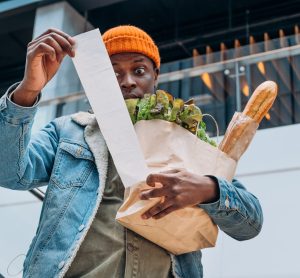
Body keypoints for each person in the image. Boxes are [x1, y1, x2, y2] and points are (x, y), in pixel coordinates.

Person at [0, 25, 263, 278]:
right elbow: (9, 173)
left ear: (155, 76)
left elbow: (250, 224)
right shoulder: (67, 131)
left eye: (139, 70)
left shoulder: (187, 140)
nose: (128, 82)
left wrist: (209, 189)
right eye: (114, 73)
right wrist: (28, 90)